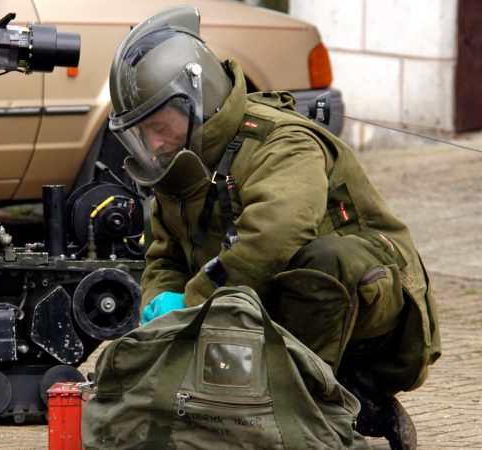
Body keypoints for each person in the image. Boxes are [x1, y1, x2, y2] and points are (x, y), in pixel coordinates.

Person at [108, 6, 441, 450]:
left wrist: (192, 304)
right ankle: (309, 401)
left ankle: (316, 408)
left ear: (194, 99)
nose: (151, 143)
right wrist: (161, 311)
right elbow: (164, 258)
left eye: (157, 126)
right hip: (267, 308)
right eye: (139, 133)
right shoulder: (180, 159)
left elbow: (277, 234)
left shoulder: (282, 141)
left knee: (323, 261)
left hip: (378, 321)